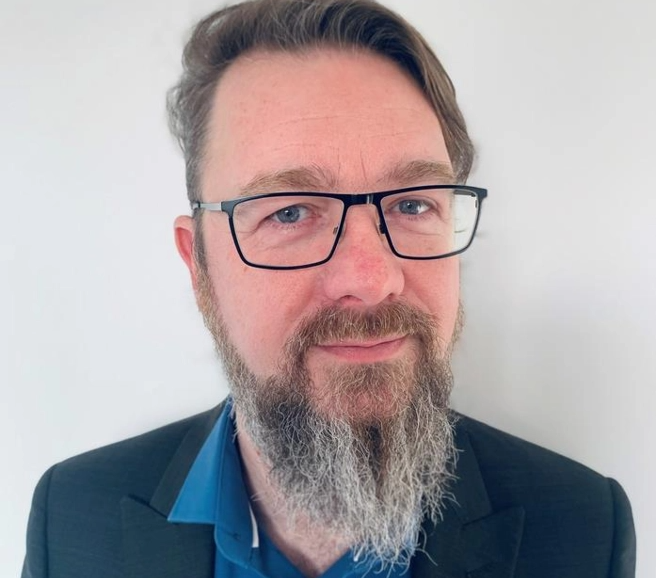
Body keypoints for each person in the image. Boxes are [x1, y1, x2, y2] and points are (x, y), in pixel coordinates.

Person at [22, 0, 636, 577]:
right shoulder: (72, 518)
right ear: (199, 264)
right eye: (289, 212)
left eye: (413, 204)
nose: (371, 281)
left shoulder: (584, 530)